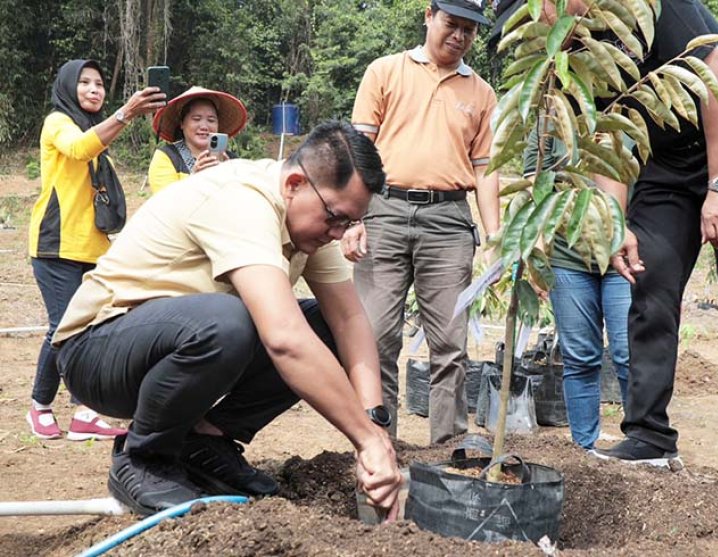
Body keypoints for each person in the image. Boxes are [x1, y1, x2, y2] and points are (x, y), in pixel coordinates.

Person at [493, 0, 718, 487]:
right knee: (646, 278)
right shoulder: (572, 50)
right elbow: (606, 132)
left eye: (537, 10)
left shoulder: (644, 4)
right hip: (665, 157)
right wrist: (614, 221)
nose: (540, 26)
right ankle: (649, 435)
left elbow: (715, 76)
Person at [52, 121, 404, 516]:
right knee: (230, 321)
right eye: (336, 218)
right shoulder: (243, 199)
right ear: (294, 184)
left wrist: (374, 426)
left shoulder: (309, 220)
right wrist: (365, 442)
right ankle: (144, 458)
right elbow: (284, 338)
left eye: (351, 223)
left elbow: (349, 321)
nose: (340, 234)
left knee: (320, 326)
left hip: (175, 347)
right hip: (96, 350)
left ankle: (204, 442)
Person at [345, 0, 500, 445]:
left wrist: (494, 237)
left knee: (450, 346)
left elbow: (486, 169)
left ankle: (448, 450)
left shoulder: (482, 93)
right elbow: (359, 149)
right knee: (376, 340)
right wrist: (354, 218)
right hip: (384, 211)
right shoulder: (385, 72)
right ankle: (377, 443)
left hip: (449, 220)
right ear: (429, 16)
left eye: (470, 29)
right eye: (452, 23)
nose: (460, 35)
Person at [27, 59, 165, 441]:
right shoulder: (58, 122)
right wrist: (127, 112)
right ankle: (39, 406)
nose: (93, 89)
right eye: (85, 82)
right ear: (68, 87)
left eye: (100, 84)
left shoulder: (95, 129)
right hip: (55, 245)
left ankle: (84, 412)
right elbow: (77, 150)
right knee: (62, 329)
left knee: (87, 328)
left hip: (93, 247)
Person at [521, 133, 632, 451]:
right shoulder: (549, 125)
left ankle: (642, 440)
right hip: (567, 258)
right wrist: (537, 257)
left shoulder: (626, 119)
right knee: (580, 356)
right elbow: (537, 194)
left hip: (623, 259)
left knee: (629, 354)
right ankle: (585, 448)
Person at [147, 86, 248, 193]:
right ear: (182, 123)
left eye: (211, 120)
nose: (204, 126)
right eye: (196, 119)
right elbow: (166, 203)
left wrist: (231, 179)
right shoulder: (167, 156)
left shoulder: (231, 160)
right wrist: (195, 178)